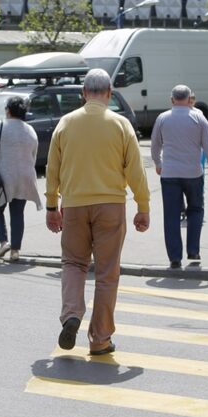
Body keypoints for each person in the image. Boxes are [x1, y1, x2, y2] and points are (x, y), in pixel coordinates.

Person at [45, 68, 150, 356]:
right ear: (109, 93)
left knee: (73, 264)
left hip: (74, 205)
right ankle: (100, 339)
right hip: (111, 206)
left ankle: (71, 315)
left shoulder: (65, 124)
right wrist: (143, 206)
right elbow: (135, 171)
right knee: (106, 273)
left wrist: (52, 206)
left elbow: (51, 169)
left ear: (83, 94)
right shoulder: (120, 125)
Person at [150, 84, 208, 268]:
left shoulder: (162, 118)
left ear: (172, 100)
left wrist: (158, 163)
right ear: (189, 99)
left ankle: (174, 257)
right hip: (193, 173)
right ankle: (193, 250)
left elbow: (155, 145)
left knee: (171, 215)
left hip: (169, 173)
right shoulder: (198, 118)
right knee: (196, 209)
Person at [0, 95, 42, 262]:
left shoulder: (0, 126)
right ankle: (15, 251)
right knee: (17, 213)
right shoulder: (30, 130)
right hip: (25, 178)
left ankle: (4, 242)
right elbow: (33, 156)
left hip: (3, 178)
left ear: (8, 111)